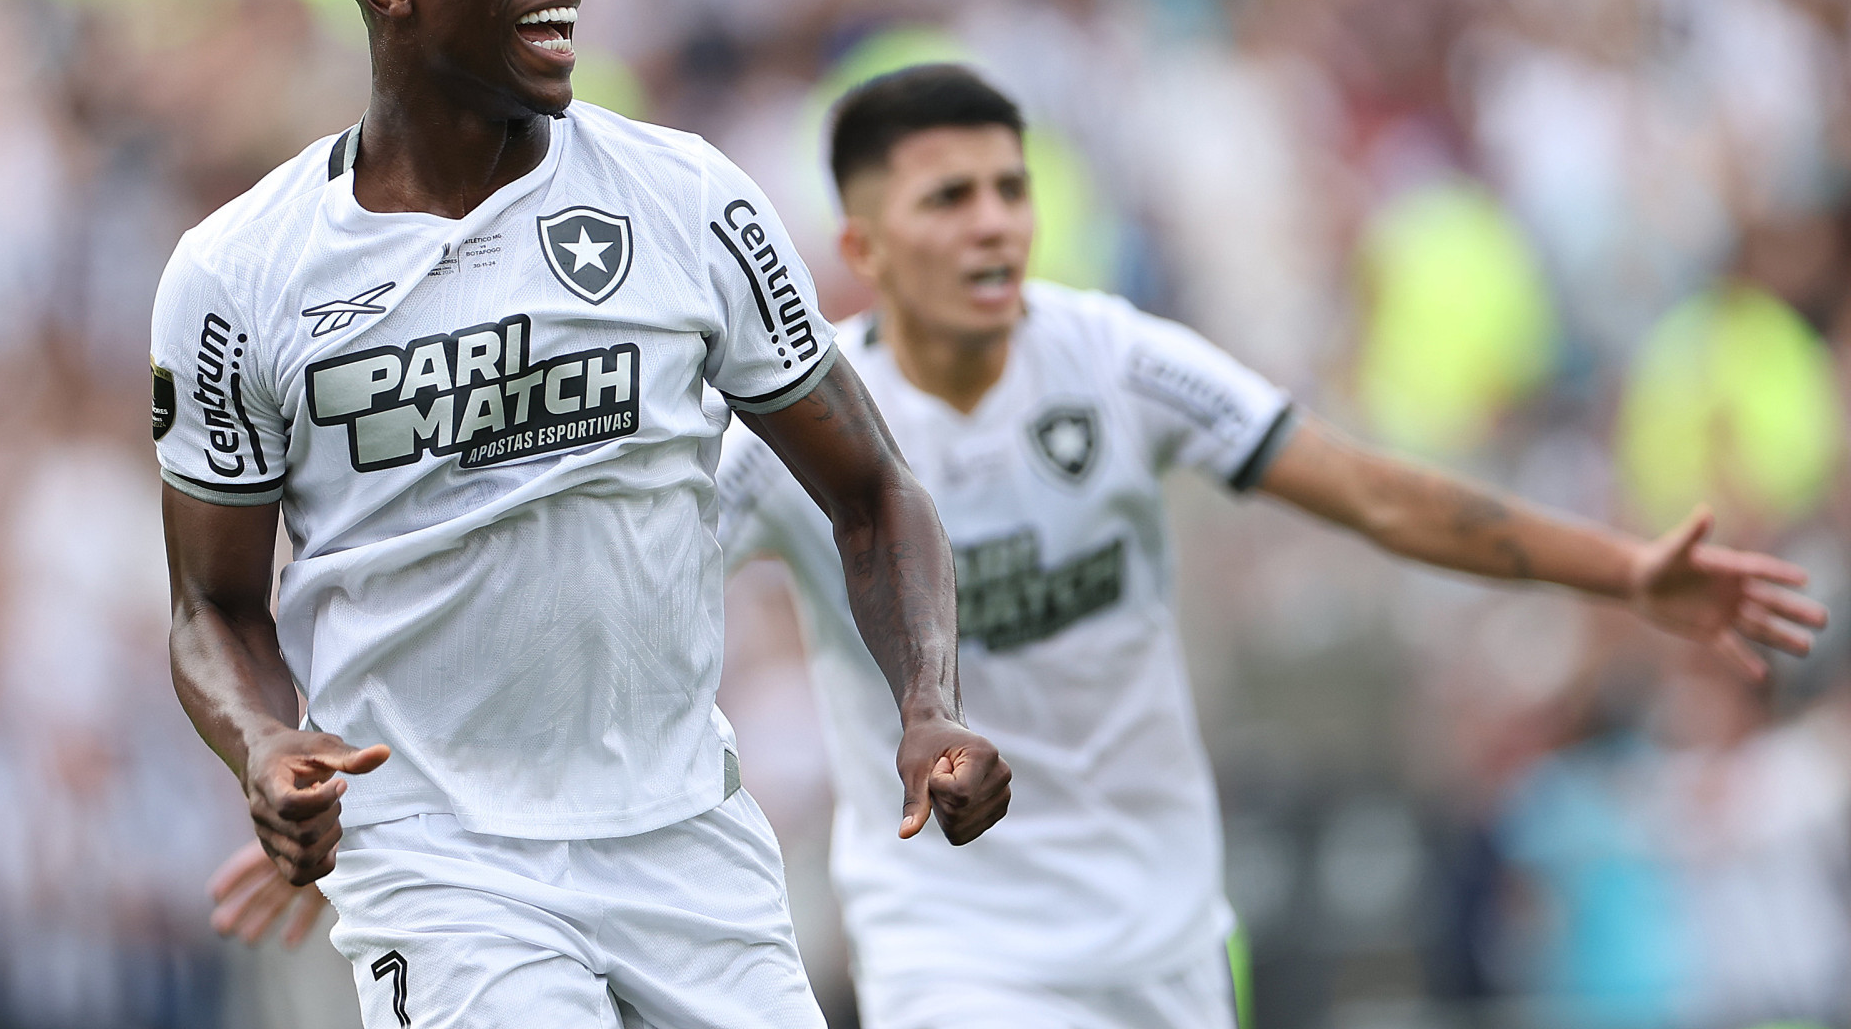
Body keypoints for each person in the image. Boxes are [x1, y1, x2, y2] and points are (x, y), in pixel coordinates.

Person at [208, 59, 1827, 1026]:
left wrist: (1626, 570)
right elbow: (574, 631)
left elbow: (1380, 492)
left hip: (1167, 929)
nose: (993, 224)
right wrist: (414, 824)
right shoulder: (786, 440)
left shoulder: (1116, 361)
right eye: (948, 200)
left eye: (1009, 190)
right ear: (859, 245)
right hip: (950, 937)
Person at [154, 0, 1009, 1029]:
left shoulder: (690, 199)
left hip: (685, 837)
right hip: (442, 857)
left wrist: (929, 702)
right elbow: (213, 608)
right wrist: (260, 741)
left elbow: (874, 490)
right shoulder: (239, 275)